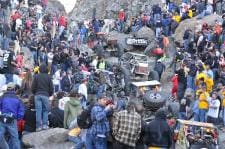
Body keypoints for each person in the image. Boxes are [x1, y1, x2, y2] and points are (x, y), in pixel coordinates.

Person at [0, 82, 24, 149]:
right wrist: (17, 118)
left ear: (7, 88)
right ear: (14, 89)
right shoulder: (18, 99)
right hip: (13, 119)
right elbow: (21, 111)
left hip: (2, 118)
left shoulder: (2, 97)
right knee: (15, 139)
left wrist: (2, 113)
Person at [31, 63, 53, 131]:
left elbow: (33, 87)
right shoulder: (49, 77)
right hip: (45, 95)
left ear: (39, 69)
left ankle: (38, 127)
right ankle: (45, 125)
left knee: (38, 111)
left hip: (37, 95)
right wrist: (49, 94)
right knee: (45, 111)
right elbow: (51, 88)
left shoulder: (36, 76)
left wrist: (35, 93)